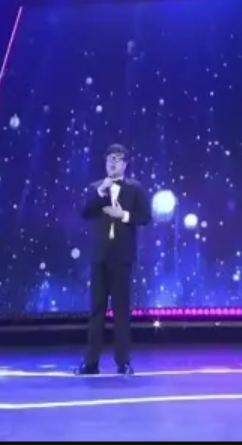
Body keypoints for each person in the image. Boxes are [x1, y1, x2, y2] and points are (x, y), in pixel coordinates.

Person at [75, 144, 152, 375]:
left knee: (121, 311)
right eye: (109, 158)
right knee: (96, 310)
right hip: (99, 257)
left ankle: (123, 361)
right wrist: (101, 191)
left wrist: (124, 215)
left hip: (122, 257)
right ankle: (91, 362)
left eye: (117, 159)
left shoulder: (135, 188)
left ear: (125, 164)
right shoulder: (95, 188)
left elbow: (146, 217)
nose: (113, 162)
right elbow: (85, 211)